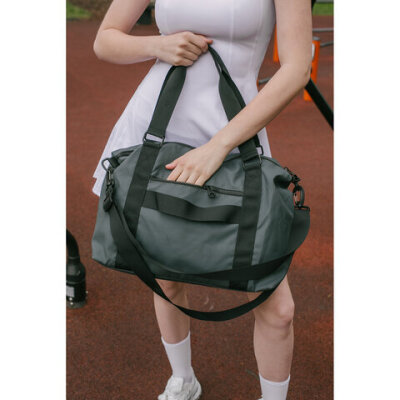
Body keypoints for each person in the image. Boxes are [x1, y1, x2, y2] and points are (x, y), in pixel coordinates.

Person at [91, 0, 312, 399]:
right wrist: (157, 46)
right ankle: (183, 379)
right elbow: (105, 41)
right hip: (159, 125)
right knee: (166, 274)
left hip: (234, 132)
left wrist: (219, 145)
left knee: (277, 306)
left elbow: (297, 68)